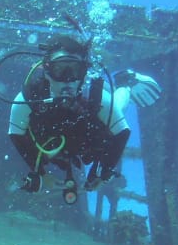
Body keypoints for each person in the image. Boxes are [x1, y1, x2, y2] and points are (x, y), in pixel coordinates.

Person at [8, 35, 162, 203]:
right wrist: (40, 173)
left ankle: (125, 84)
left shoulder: (95, 96)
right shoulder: (29, 97)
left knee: (117, 107)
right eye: (60, 69)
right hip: (54, 144)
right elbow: (15, 134)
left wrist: (103, 172)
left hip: (88, 138)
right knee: (111, 108)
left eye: (75, 70)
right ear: (47, 71)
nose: (68, 79)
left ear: (84, 73)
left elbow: (122, 131)